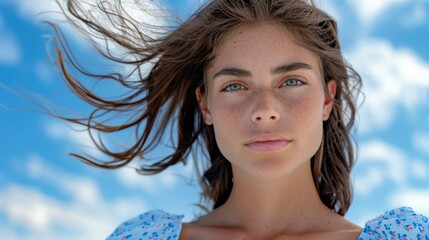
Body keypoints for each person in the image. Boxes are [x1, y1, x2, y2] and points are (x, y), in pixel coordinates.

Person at [48, 0, 428, 239]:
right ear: (206, 105)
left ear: (327, 99)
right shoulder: (145, 237)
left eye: (291, 81)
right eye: (234, 86)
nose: (265, 108)